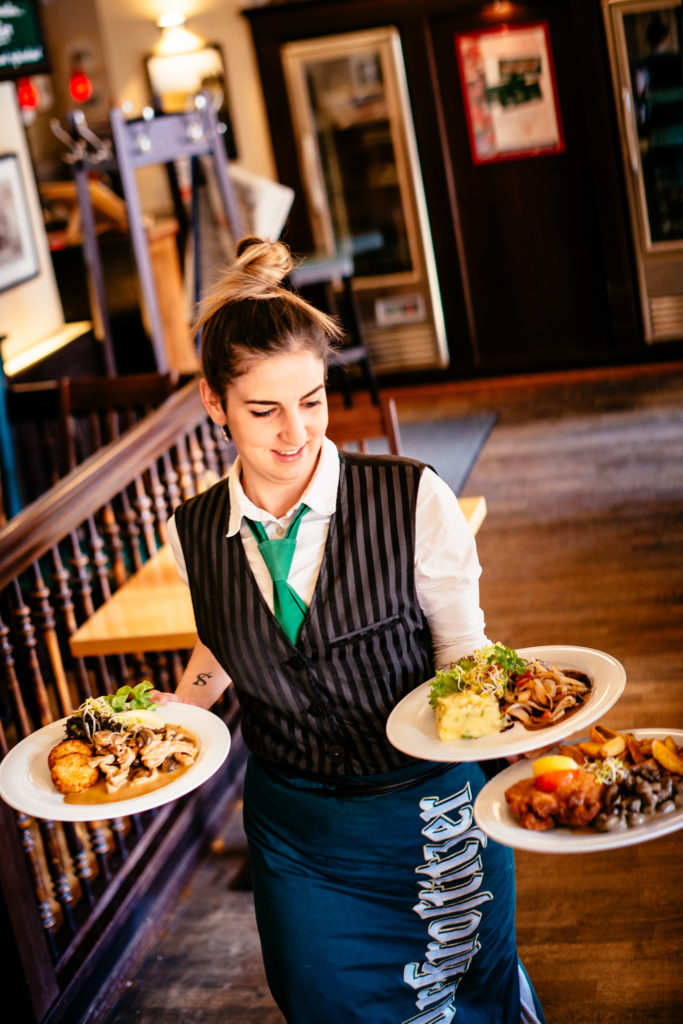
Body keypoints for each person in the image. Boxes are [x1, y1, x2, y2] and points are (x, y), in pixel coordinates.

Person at [155, 235, 545, 1024]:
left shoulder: (411, 498)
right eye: (263, 410)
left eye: (312, 401)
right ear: (213, 403)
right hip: (297, 834)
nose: (294, 433)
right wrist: (179, 714)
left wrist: (522, 723)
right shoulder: (191, 531)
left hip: (429, 810)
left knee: (465, 1000)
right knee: (320, 999)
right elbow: (232, 635)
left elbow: (461, 650)